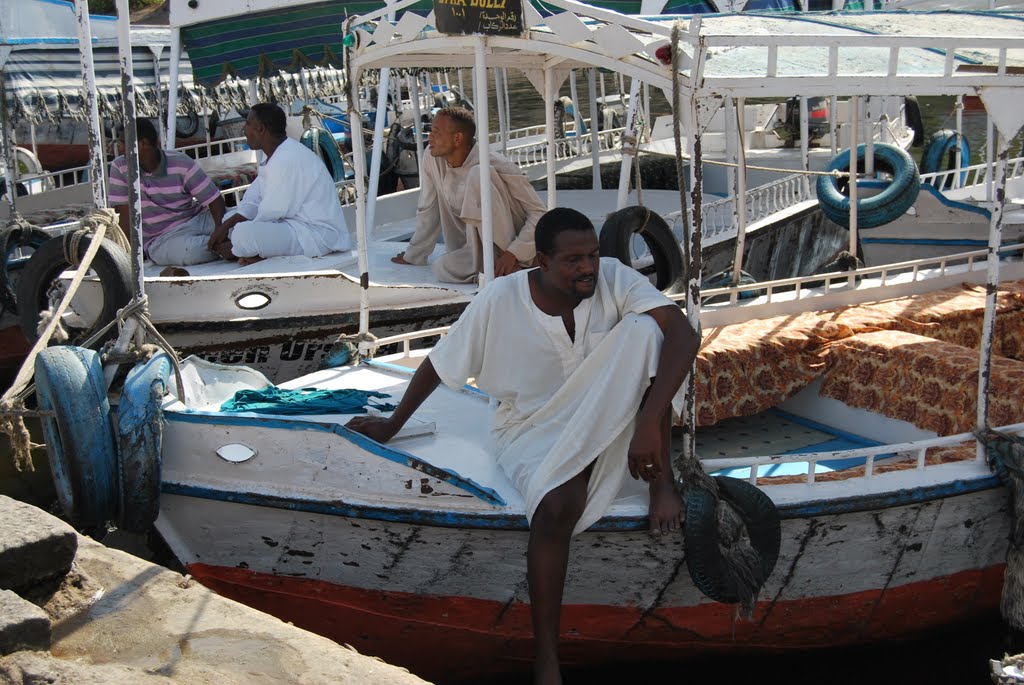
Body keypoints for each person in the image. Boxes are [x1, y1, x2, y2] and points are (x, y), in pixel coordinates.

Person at [348, 207, 699, 684]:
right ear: (542, 261)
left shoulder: (614, 278)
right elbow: (440, 362)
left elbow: (681, 332)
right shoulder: (500, 299)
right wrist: (392, 425)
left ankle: (663, 485)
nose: (589, 268)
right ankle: (547, 662)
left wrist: (649, 421)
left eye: (593, 255)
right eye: (574, 260)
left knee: (645, 330)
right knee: (557, 508)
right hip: (530, 427)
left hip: (615, 418)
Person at [391, 106, 547, 283]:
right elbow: (429, 208)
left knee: (478, 175)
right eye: (430, 131)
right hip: (474, 250)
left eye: (436, 132)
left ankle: (511, 266)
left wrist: (514, 253)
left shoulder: (494, 163)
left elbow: (539, 213)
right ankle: (491, 271)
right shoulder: (432, 157)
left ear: (457, 138)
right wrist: (413, 255)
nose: (430, 137)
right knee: (441, 268)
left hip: (512, 249)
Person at [210, 103, 350, 266]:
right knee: (232, 221)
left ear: (261, 129)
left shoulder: (287, 158)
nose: (244, 129)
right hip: (293, 225)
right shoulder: (272, 155)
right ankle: (254, 252)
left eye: (247, 123)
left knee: (243, 234)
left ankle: (250, 252)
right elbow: (253, 199)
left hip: (316, 235)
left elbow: (270, 212)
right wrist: (226, 225)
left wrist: (234, 246)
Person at [108, 117, 226, 268]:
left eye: (123, 142)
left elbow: (214, 199)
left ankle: (227, 242)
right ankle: (229, 245)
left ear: (143, 143)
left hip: (196, 219)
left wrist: (220, 229)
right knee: (190, 252)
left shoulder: (180, 162)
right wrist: (127, 257)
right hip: (161, 238)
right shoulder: (120, 167)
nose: (120, 148)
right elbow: (124, 216)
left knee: (238, 222)